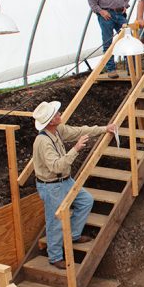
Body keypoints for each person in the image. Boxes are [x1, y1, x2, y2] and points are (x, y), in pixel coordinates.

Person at [31, 101, 117, 269]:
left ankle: (73, 236)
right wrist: (76, 149)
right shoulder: (43, 142)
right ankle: (55, 256)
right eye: (56, 114)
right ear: (50, 122)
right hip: (51, 186)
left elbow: (78, 131)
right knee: (55, 221)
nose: (59, 114)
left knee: (85, 201)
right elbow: (56, 166)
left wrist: (103, 128)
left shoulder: (57, 131)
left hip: (64, 181)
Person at [87, 0, 129, 79]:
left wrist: (125, 4)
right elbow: (91, 0)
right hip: (106, 15)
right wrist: (101, 11)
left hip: (120, 13)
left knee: (127, 38)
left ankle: (130, 68)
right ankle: (111, 69)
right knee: (108, 42)